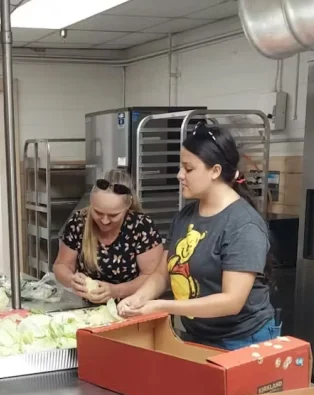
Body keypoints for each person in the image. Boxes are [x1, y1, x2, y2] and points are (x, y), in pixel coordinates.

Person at [117, 121, 279, 350]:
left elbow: (231, 301)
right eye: (181, 167)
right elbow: (164, 272)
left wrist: (162, 306)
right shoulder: (186, 216)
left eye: (188, 168)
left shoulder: (243, 225)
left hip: (242, 340)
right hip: (199, 335)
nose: (179, 175)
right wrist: (140, 297)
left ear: (215, 171)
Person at [53, 169, 164, 304]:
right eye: (98, 212)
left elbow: (152, 277)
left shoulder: (141, 226)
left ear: (127, 206)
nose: (105, 221)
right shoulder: (79, 222)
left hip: (132, 306)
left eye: (113, 215)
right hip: (89, 310)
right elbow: (61, 265)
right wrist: (72, 279)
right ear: (91, 203)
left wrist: (115, 291)